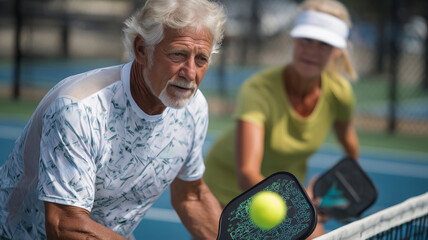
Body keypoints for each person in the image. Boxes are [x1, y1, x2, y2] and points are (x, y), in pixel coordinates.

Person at [0, 0, 226, 239]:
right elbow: (65, 225)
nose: (190, 73)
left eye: (201, 59)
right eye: (178, 54)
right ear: (141, 49)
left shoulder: (194, 107)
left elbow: (191, 197)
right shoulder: (78, 108)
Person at [203, 0, 359, 238]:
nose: (312, 51)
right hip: (228, 191)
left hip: (286, 195)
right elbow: (247, 173)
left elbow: (351, 150)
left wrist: (328, 190)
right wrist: (298, 201)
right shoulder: (258, 89)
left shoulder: (340, 93)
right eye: (306, 40)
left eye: (324, 44)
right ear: (293, 39)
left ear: (337, 50)